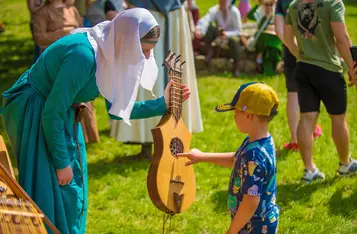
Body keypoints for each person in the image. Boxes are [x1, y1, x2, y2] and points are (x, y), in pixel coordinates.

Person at [0, 8, 191, 233]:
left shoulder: (112, 51)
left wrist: (162, 104)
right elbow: (51, 113)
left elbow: (116, 110)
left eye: (150, 51)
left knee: (73, 182)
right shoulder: (83, 56)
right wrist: (61, 163)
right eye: (144, 50)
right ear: (127, 41)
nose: (147, 57)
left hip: (59, 111)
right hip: (37, 109)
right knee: (51, 184)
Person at [179, 82, 280, 234]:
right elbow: (236, 160)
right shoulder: (260, 141)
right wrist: (202, 157)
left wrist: (232, 231)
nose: (234, 115)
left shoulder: (254, 156)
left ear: (248, 115)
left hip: (254, 226)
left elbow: (251, 202)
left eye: (235, 111)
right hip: (258, 221)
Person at [110, 0, 203, 158]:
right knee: (144, 67)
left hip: (165, 12)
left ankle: (171, 136)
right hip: (149, 12)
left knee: (162, 67)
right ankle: (148, 139)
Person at [284, 0, 357, 181]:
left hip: (303, 69)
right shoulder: (333, 2)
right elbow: (342, 39)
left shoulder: (294, 5)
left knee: (307, 118)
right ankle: (345, 164)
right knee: (338, 119)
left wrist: (301, 55)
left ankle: (309, 170)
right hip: (329, 70)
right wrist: (353, 68)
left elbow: (287, 37)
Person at [274, 0, 321, 152]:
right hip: (312, 48)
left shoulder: (283, 2)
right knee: (313, 91)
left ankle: (295, 139)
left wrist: (291, 46)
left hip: (290, 50)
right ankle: (311, 130)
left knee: (292, 94)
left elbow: (279, 30)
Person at [195, 0, 243, 77]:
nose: (222, 3)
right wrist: (199, 29)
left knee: (234, 41)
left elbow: (238, 30)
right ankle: (209, 51)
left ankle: (237, 66)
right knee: (209, 28)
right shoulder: (215, 10)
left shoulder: (234, 12)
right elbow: (206, 20)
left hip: (231, 35)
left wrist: (226, 34)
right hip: (219, 35)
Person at [254, 0, 282, 76]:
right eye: (266, 5)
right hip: (263, 41)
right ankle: (260, 60)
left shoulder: (276, 16)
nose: (268, 7)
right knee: (264, 37)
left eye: (271, 5)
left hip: (275, 41)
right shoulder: (260, 15)